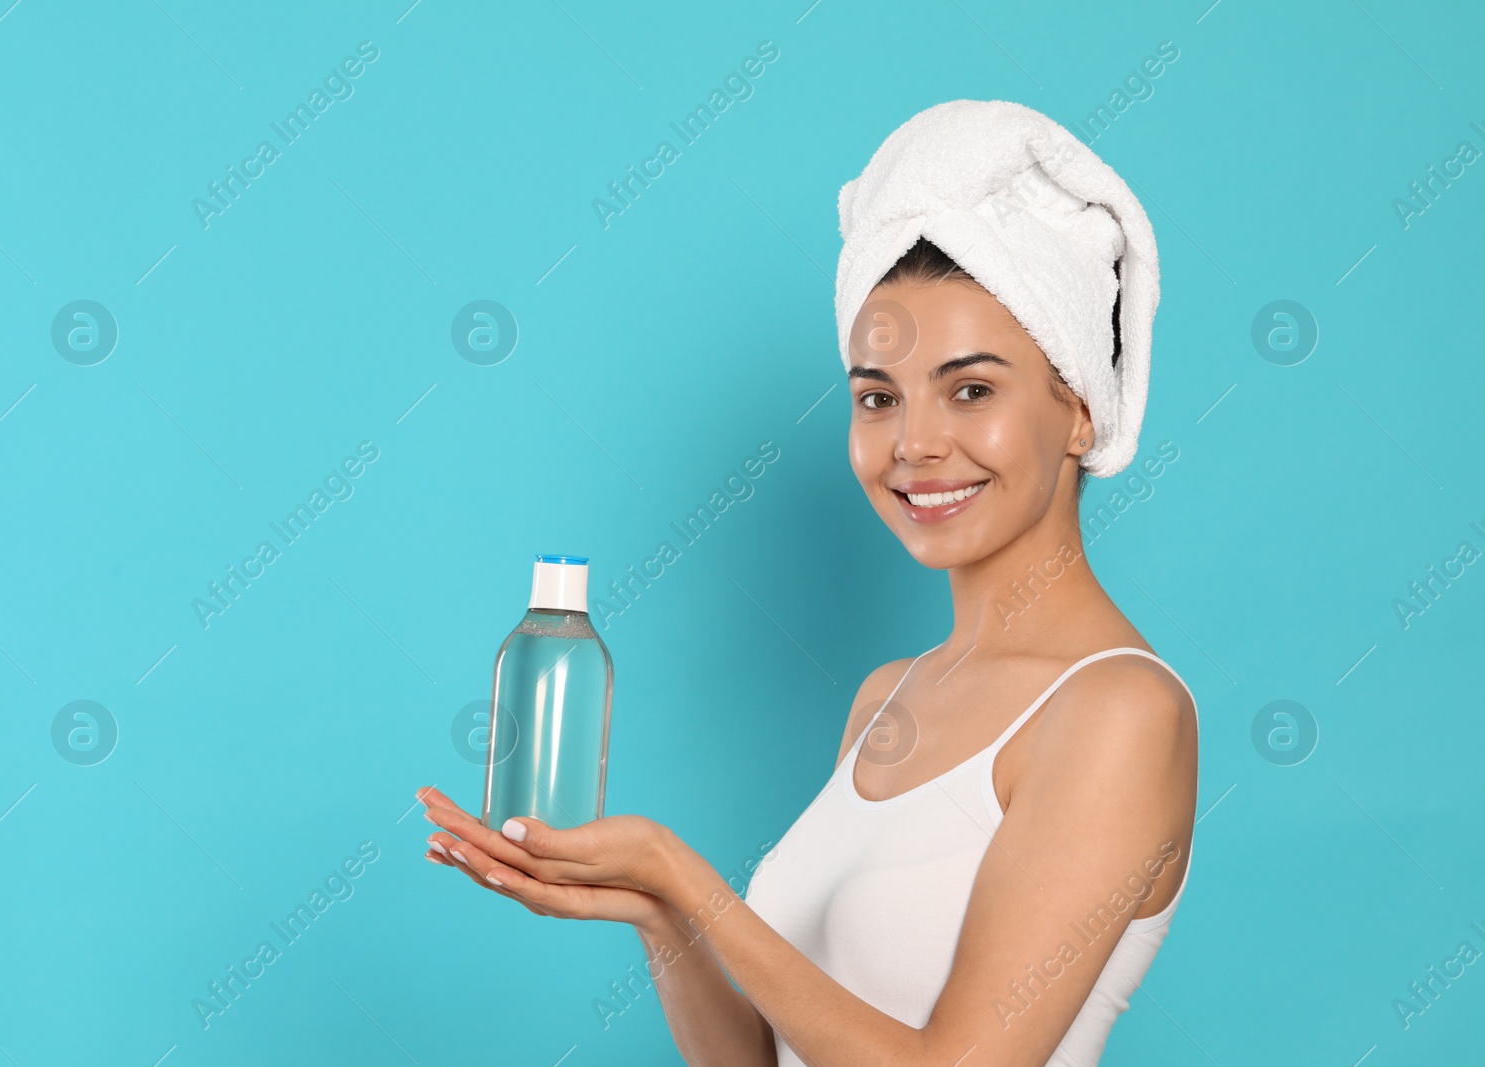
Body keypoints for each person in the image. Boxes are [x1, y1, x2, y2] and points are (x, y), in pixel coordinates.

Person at [417, 99, 1199, 1067]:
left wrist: (687, 876)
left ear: (1078, 410)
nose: (913, 443)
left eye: (971, 389)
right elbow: (763, 1058)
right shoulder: (889, 697)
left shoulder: (1118, 709)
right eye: (877, 396)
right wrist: (661, 916)